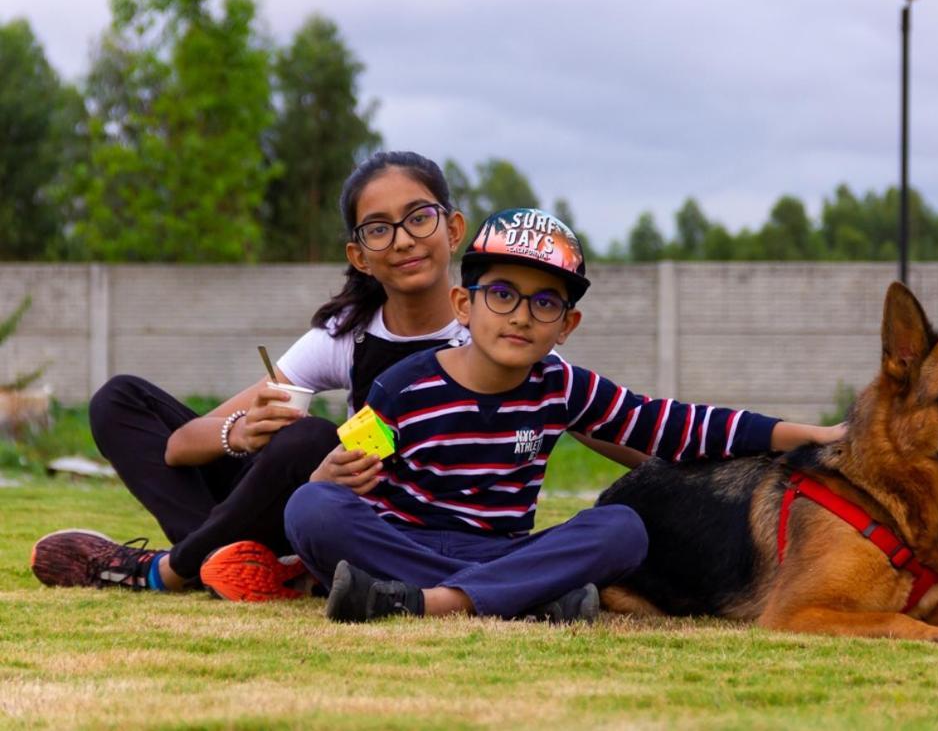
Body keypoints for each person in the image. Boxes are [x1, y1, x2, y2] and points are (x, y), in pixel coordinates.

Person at [283, 208, 845, 624]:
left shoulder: (564, 386)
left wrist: (809, 434)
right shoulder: (402, 386)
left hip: (502, 548)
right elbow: (349, 479)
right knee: (311, 507)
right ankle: (520, 596)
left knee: (622, 528)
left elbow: (680, 427)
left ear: (566, 326)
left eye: (544, 302)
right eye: (501, 293)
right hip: (403, 541)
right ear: (464, 305)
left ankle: (434, 603)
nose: (521, 316)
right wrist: (324, 477)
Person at [29, 152, 476, 599]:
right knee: (120, 400)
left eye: (418, 218)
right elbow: (179, 445)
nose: (402, 240)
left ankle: (166, 570)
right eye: (379, 228)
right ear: (359, 256)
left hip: (365, 525)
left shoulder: (487, 335)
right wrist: (239, 432)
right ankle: (233, 564)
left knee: (313, 443)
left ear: (453, 229)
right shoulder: (349, 336)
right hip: (291, 505)